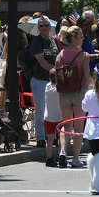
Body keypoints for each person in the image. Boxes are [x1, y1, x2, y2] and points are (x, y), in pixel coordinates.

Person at [55, 25, 90, 168]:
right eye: (81, 36)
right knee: (79, 127)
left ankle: (62, 151)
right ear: (75, 38)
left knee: (66, 125)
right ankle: (75, 158)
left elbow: (57, 76)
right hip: (78, 92)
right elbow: (86, 78)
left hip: (63, 92)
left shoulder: (60, 55)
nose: (83, 39)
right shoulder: (83, 55)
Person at [27, 16, 59, 149]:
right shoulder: (36, 41)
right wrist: (55, 71)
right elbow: (41, 61)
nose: (45, 28)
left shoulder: (53, 41)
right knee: (40, 111)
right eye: (41, 26)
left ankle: (54, 136)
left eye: (46, 25)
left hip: (53, 81)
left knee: (54, 110)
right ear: (38, 28)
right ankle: (40, 138)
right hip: (40, 80)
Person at [43, 67, 66, 168]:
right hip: (59, 117)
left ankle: (49, 158)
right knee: (61, 137)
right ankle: (60, 154)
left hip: (48, 117)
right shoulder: (59, 89)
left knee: (49, 139)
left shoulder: (47, 87)